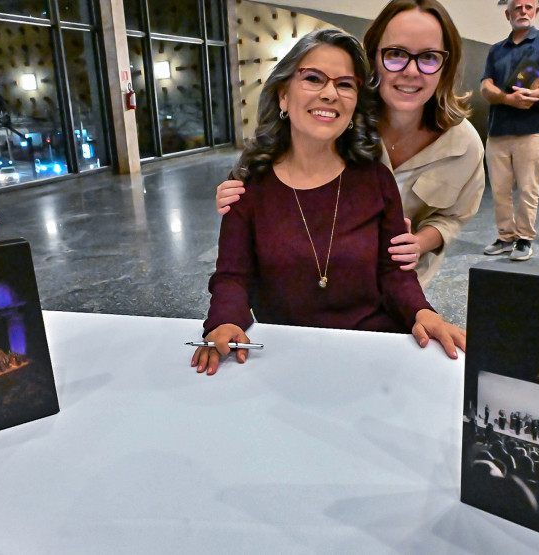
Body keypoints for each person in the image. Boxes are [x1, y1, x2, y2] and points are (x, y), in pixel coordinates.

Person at [191, 29, 465, 375]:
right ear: (283, 96)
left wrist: (422, 312)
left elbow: (394, 272)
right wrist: (226, 321)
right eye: (313, 78)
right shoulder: (249, 188)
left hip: (375, 352)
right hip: (287, 357)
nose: (330, 94)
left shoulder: (376, 180)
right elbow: (233, 276)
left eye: (345, 84)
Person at [215, 0, 485, 286]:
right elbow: (279, 169)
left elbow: (454, 218)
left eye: (429, 57)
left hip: (403, 287)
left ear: (446, 65)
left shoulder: (464, 145)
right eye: (395, 54)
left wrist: (419, 242)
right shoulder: (337, 118)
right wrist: (241, 194)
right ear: (373, 58)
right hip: (317, 284)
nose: (411, 71)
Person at [480, 0, 539, 262]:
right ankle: (505, 236)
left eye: (529, 6)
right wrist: (507, 99)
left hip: (531, 129)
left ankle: (524, 238)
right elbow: (485, 87)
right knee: (499, 190)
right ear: (507, 13)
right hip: (498, 130)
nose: (523, 11)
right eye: (518, 7)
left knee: (527, 189)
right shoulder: (496, 50)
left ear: (536, 11)